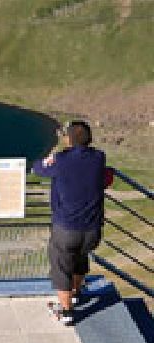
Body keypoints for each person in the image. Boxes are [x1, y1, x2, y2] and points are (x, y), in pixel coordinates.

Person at [32, 120, 112, 325]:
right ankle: (75, 293)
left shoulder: (61, 160)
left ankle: (66, 311)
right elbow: (103, 176)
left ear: (69, 139)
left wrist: (48, 160)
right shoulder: (98, 157)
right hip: (92, 229)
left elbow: (38, 169)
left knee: (61, 266)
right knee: (80, 257)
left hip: (66, 229)